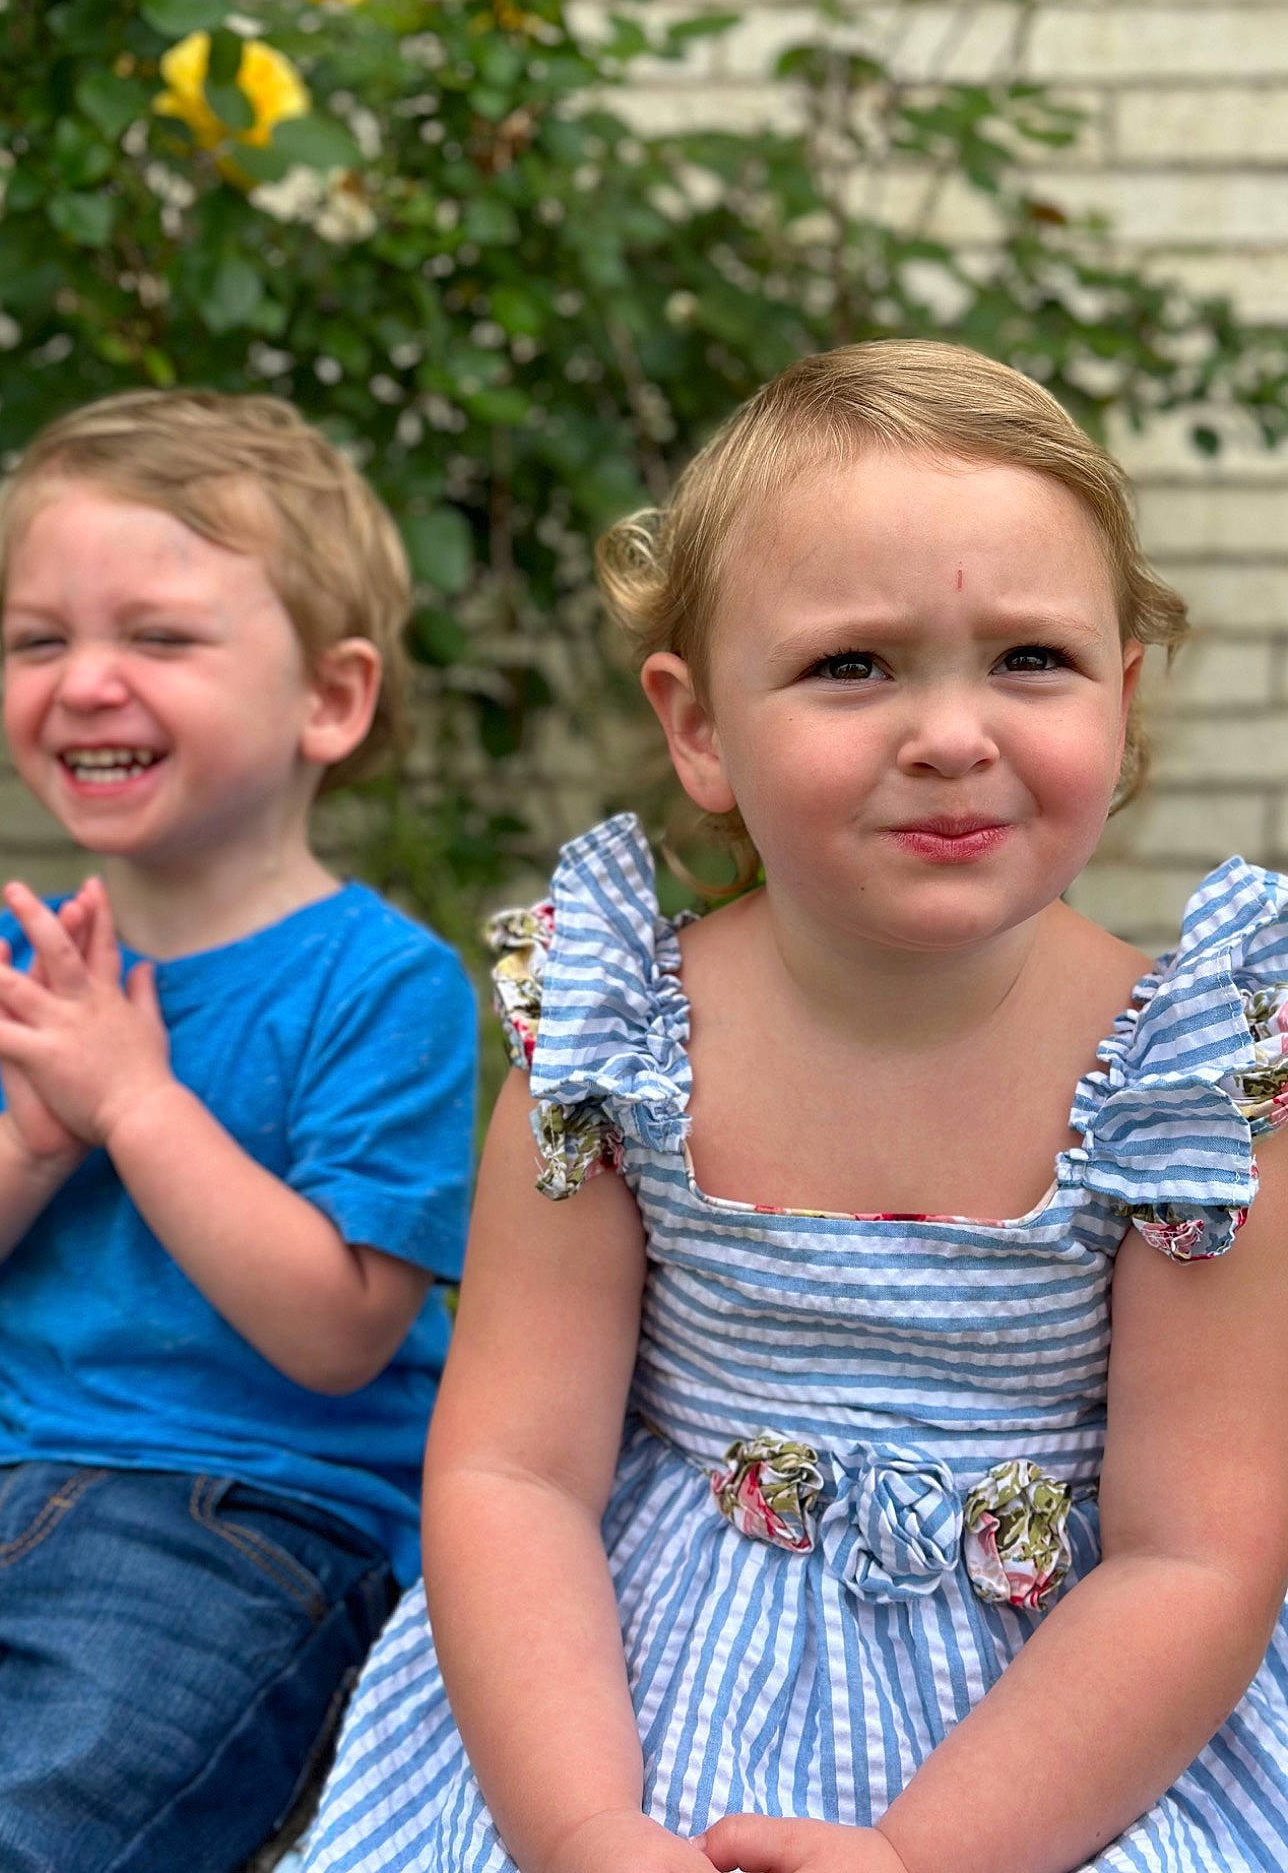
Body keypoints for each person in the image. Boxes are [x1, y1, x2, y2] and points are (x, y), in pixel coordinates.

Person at [301, 340, 1288, 1873]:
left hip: (1071, 1723)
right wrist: (580, 1828)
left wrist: (919, 1857)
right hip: (639, 1682)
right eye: (853, 665)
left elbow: (1195, 1552)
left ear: (1124, 691)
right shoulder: (616, 1042)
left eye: (1032, 659)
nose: (953, 733)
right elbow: (515, 1471)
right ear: (699, 729)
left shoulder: (1188, 1083)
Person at [0, 391, 477, 1873]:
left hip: (245, 1533)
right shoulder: (37, 962)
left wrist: (138, 1107)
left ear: (328, 702)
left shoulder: (381, 982)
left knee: (11, 1849)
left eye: (158, 639)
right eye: (40, 640)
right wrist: (28, 1135)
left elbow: (341, 1329)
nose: (85, 682)